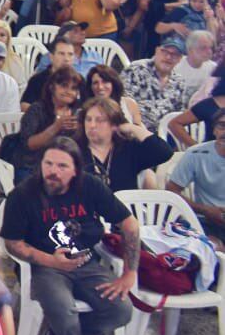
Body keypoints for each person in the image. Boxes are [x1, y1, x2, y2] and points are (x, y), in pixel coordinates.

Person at [0, 136, 138, 335]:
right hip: (44, 266)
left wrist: (130, 273)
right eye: (48, 164)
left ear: (76, 169)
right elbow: (12, 243)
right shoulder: (22, 195)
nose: (53, 171)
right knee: (63, 310)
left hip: (86, 261)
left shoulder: (91, 187)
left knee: (122, 310)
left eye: (62, 166)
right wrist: (50, 261)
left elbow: (130, 225)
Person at [79, 96, 172, 192]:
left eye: (100, 120)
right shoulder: (76, 149)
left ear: (114, 124)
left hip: (124, 206)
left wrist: (133, 128)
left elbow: (165, 152)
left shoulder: (128, 148)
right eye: (88, 119)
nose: (92, 125)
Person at [168, 107, 225, 241]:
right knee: (210, 248)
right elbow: (172, 191)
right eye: (222, 126)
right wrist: (205, 210)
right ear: (214, 130)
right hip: (206, 221)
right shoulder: (196, 154)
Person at [121, 33, 193, 132]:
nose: (168, 57)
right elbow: (124, 103)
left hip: (165, 135)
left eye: (174, 55)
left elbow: (179, 115)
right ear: (157, 51)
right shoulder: (136, 70)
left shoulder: (179, 83)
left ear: (180, 59)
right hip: (135, 130)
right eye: (165, 52)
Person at [21, 36, 82, 107]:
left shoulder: (80, 80)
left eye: (70, 54)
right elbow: (25, 105)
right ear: (51, 57)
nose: (66, 59)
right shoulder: (37, 80)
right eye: (61, 54)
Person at [175, 29, 217, 97]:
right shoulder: (176, 65)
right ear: (190, 49)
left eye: (210, 47)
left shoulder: (213, 68)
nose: (209, 51)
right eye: (203, 48)